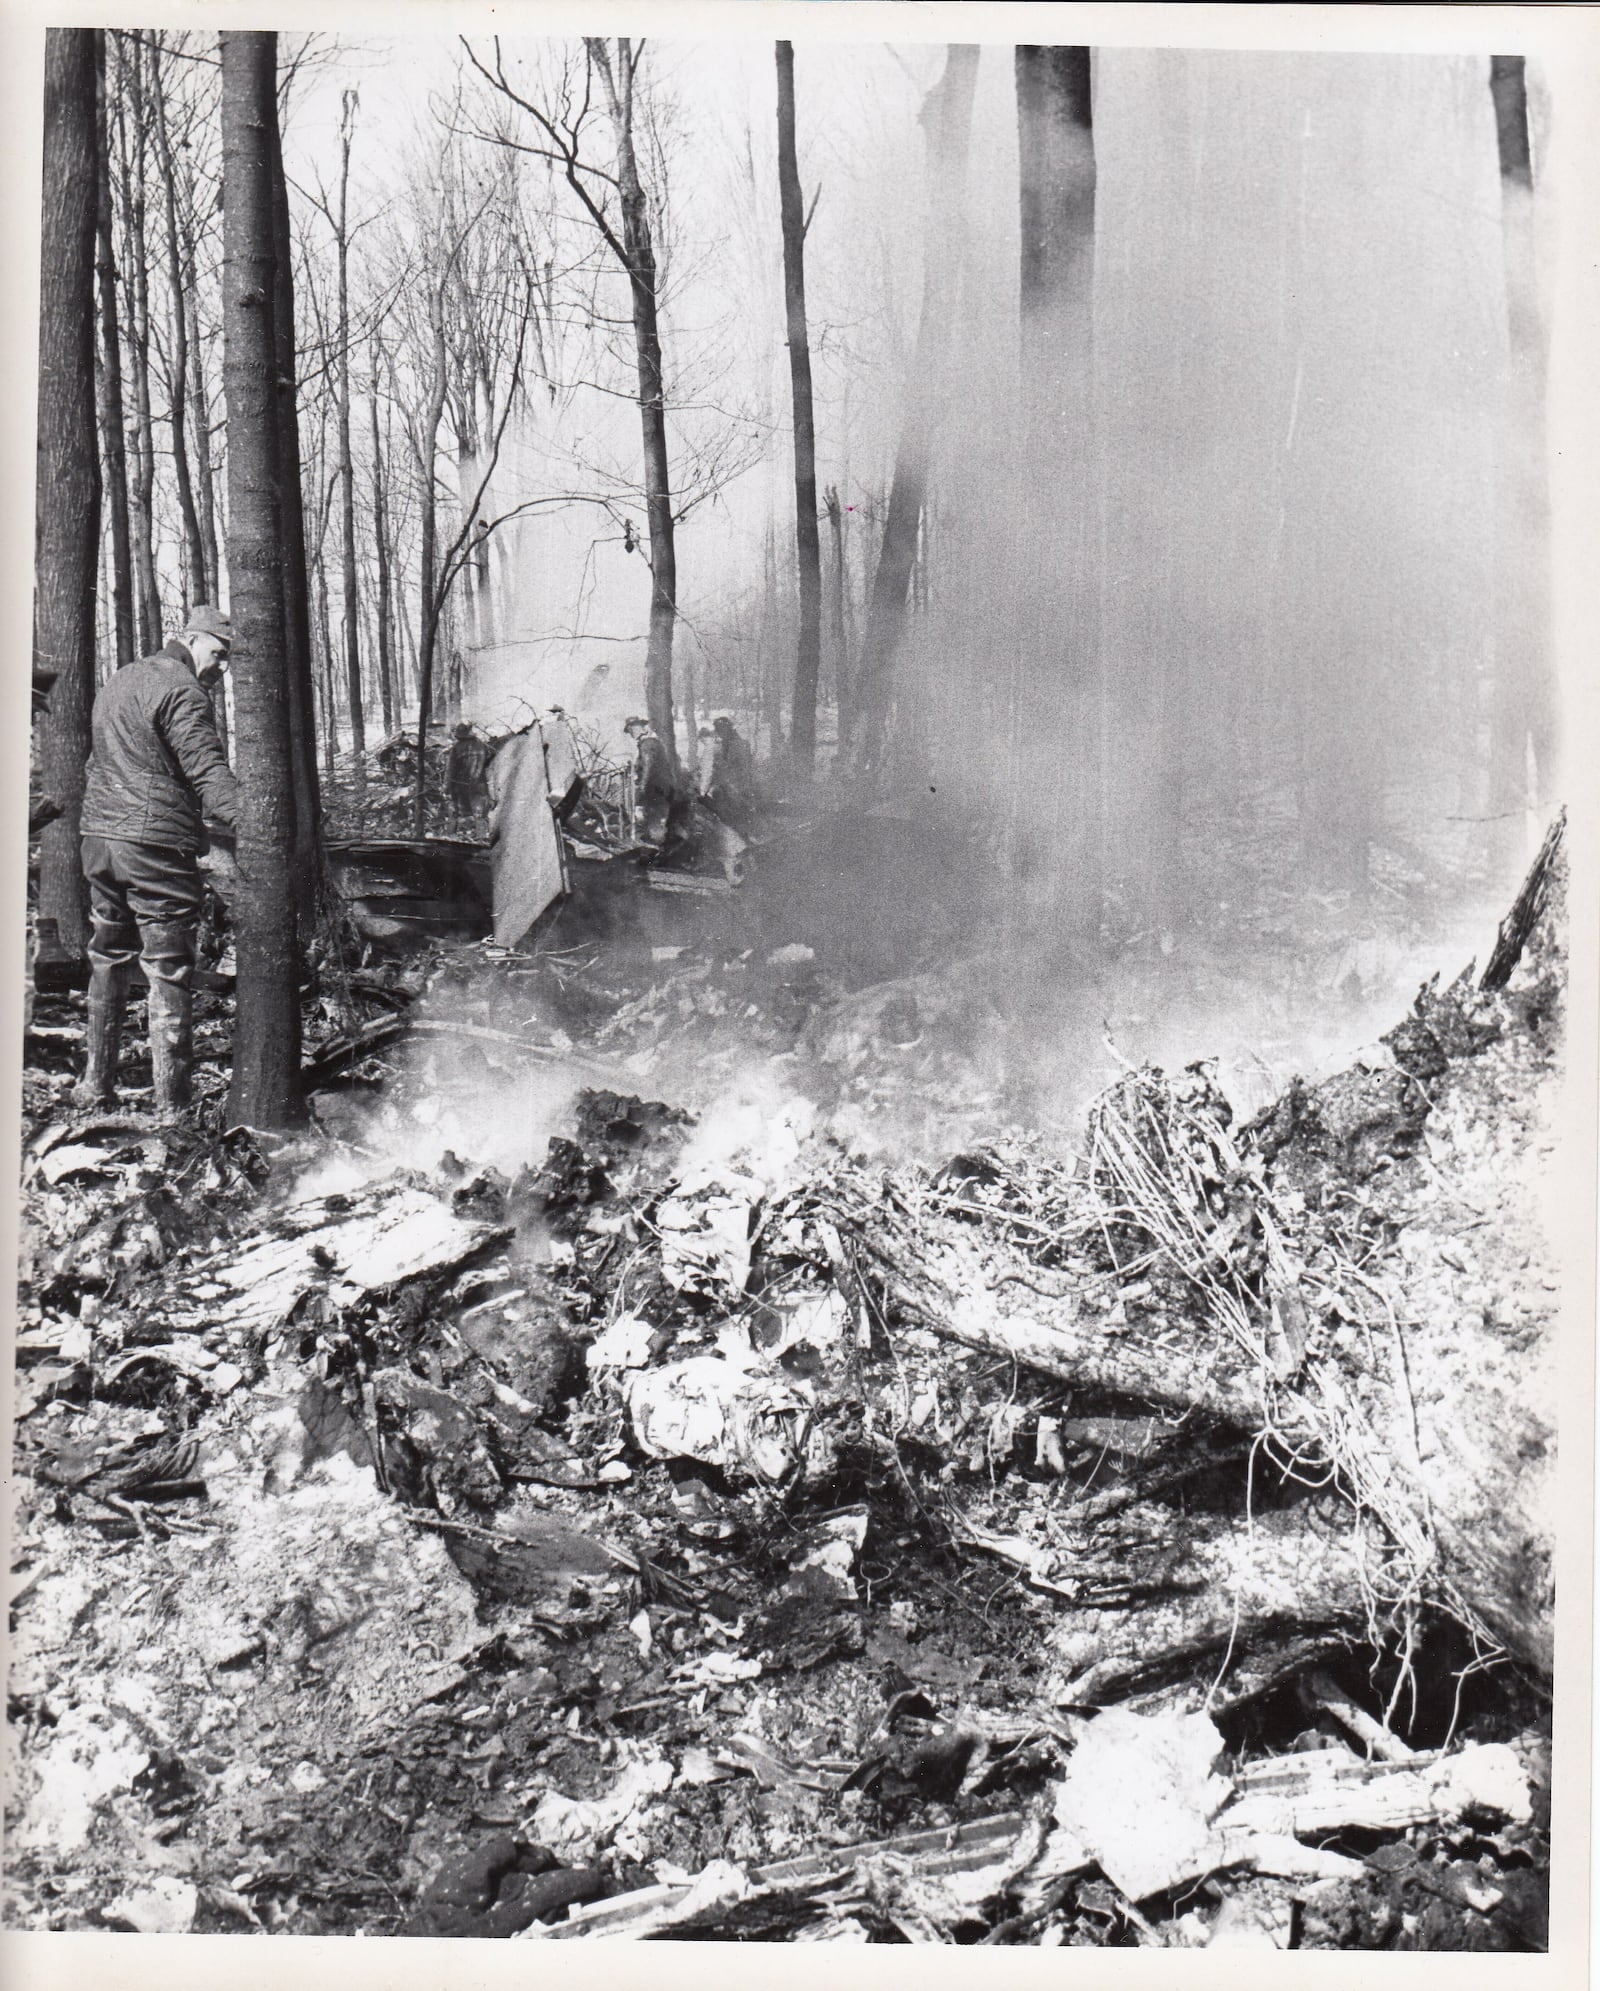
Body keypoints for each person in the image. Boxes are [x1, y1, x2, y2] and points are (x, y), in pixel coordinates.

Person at [74, 604, 238, 1118]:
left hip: (100, 840)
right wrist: (254, 824)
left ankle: (95, 1087)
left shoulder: (122, 678)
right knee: (168, 968)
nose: (221, 667)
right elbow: (208, 772)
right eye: (218, 653)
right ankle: (174, 1110)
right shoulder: (182, 690)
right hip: (152, 848)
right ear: (191, 639)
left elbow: (99, 758)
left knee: (109, 954)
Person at [623, 714, 676, 848]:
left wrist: (641, 787)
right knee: (656, 817)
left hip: (656, 787)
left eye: (634, 729)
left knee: (655, 818)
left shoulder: (647, 744)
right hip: (660, 786)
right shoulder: (650, 742)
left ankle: (659, 847)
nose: (632, 733)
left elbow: (648, 766)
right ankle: (659, 844)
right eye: (630, 730)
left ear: (642, 728)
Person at [446, 720, 490, 830]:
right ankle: (482, 837)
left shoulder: (456, 748)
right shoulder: (480, 744)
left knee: (462, 813)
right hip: (479, 783)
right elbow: (491, 755)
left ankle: (458, 838)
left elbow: (450, 770)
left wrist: (447, 787)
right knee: (480, 814)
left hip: (461, 784)